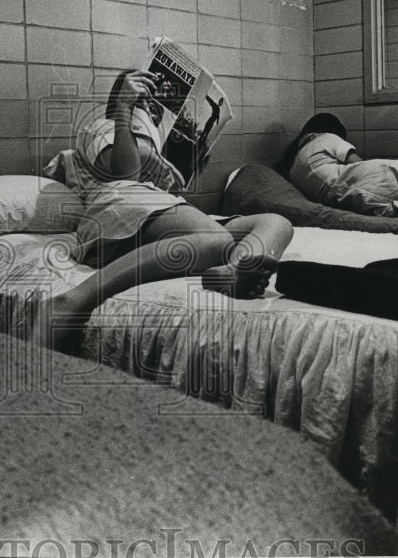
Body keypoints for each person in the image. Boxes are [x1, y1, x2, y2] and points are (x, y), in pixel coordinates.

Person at [35, 69, 294, 352]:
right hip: (118, 207)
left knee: (277, 223)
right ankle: (75, 299)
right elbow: (126, 175)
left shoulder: (154, 142)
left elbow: (166, 195)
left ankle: (233, 271)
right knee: (217, 240)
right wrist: (123, 110)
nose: (152, 110)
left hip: (151, 214)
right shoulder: (103, 126)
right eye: (145, 101)